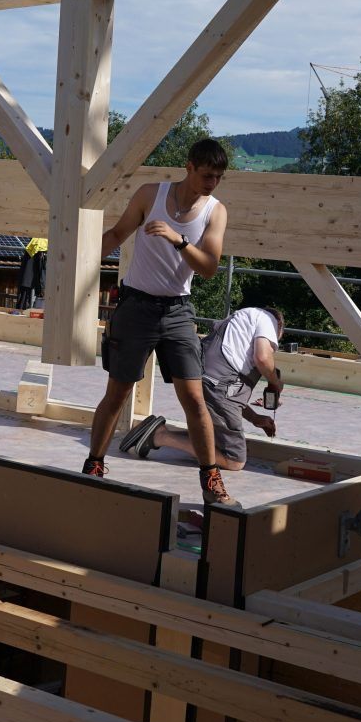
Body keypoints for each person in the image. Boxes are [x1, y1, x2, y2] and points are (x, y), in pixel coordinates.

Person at [81, 138, 238, 508]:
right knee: (118, 393)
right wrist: (74, 261)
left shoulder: (215, 211)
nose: (212, 183)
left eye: (218, 177)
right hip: (136, 306)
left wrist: (179, 241)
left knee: (195, 399)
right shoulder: (150, 194)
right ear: (189, 167)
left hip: (178, 312)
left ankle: (211, 479)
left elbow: (209, 268)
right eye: (206, 175)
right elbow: (117, 234)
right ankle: (93, 465)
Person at [123, 305, 284, 472]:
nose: (273, 345)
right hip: (217, 383)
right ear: (278, 327)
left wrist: (254, 417)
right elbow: (262, 358)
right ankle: (160, 436)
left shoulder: (239, 321)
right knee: (234, 459)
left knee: (213, 439)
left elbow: (225, 398)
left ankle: (154, 431)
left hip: (200, 375)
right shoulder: (268, 319)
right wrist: (275, 383)